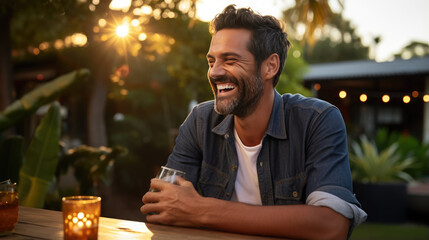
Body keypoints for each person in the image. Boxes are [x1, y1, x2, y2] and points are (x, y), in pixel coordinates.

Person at [140, 4, 367, 239]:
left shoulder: (317, 120)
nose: (215, 72)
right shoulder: (200, 121)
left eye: (230, 60)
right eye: (211, 61)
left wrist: (200, 210)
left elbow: (332, 226)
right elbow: (160, 207)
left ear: (270, 66)